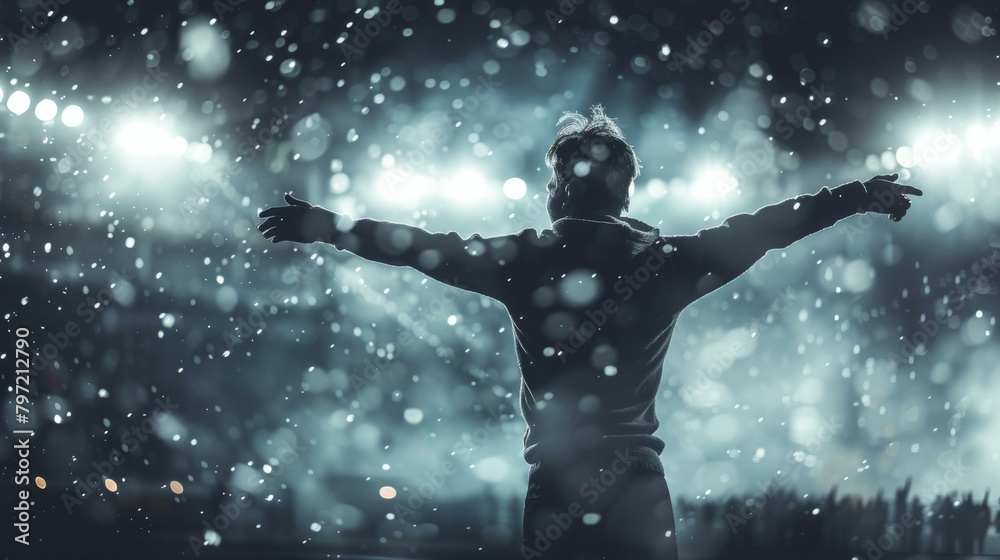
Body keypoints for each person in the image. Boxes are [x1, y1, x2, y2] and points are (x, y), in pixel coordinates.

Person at [257, 106, 922, 559]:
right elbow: (769, 228)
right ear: (626, 193)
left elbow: (418, 246)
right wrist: (857, 193)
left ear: (557, 192)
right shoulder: (666, 264)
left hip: (558, 490)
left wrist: (329, 229)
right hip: (636, 488)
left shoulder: (523, 260)